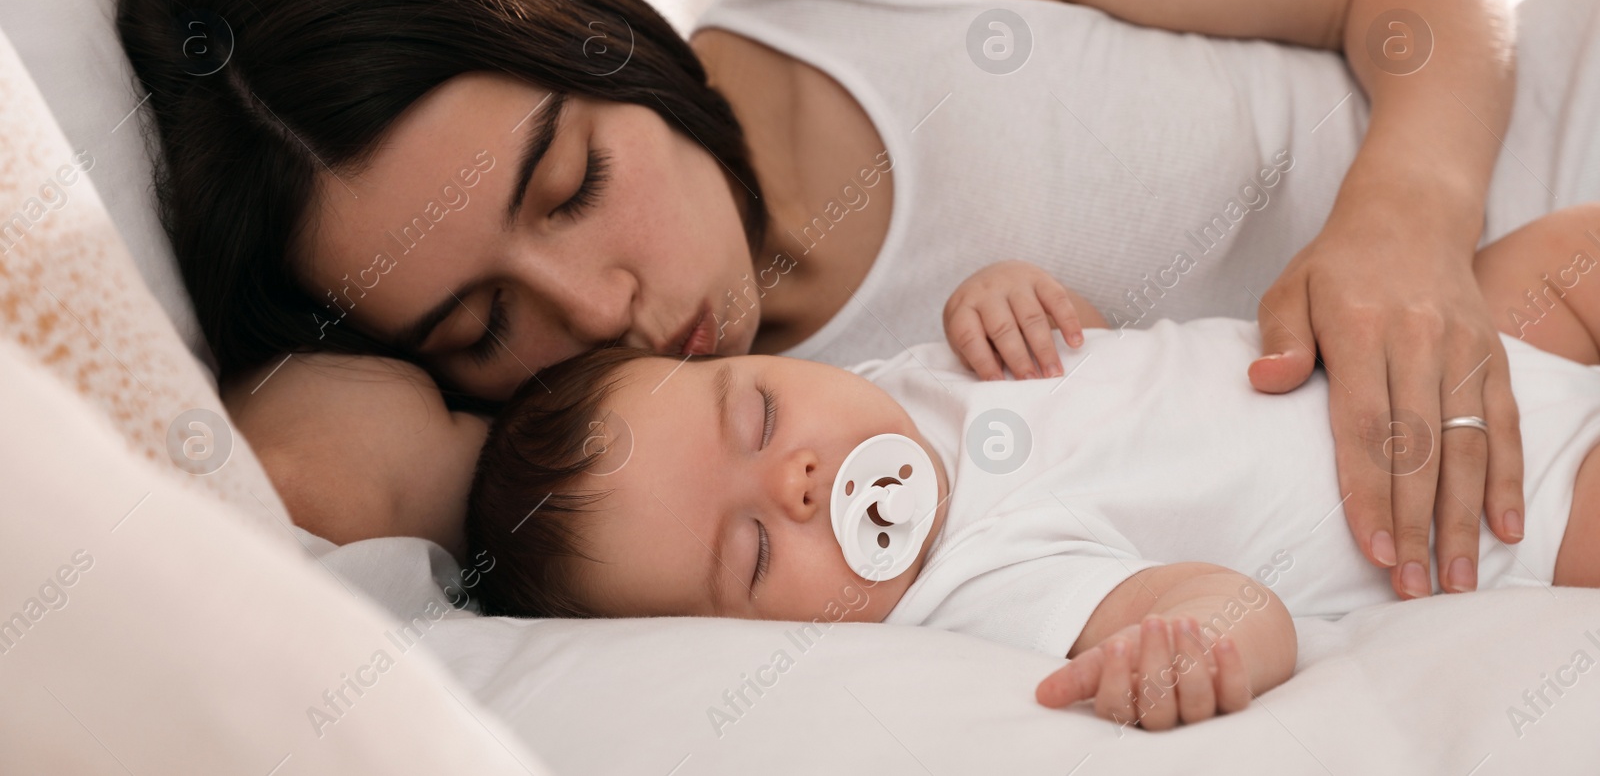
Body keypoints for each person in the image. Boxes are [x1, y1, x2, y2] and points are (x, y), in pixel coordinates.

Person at [120, 0, 1574, 601]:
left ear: (596, 29)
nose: (601, 310)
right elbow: (305, 465)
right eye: (482, 316)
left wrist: (1407, 210)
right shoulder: (724, 479)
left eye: (572, 185)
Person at [460, 201, 1600, 730]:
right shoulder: (977, 586)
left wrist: (1017, 293)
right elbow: (1228, 600)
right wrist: (1194, 641)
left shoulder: (900, 384)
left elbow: (1119, 384)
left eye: (756, 417)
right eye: (753, 549)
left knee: (1570, 249)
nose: (797, 479)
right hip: (1502, 503)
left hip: (1422, 352)